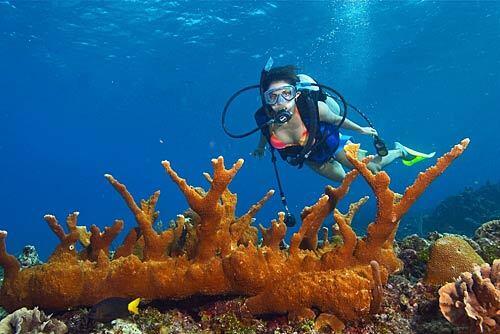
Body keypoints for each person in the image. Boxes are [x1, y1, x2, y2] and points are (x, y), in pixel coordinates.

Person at [252, 65, 434, 182]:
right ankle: (336, 161)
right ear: (266, 99)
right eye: (273, 96)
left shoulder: (313, 108)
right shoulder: (265, 119)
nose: (280, 101)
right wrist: (261, 148)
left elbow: (336, 119)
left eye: (286, 93)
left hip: (330, 143)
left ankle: (400, 151)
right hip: (308, 157)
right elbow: (265, 134)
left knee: (373, 169)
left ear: (296, 94)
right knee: (342, 178)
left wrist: (360, 129)